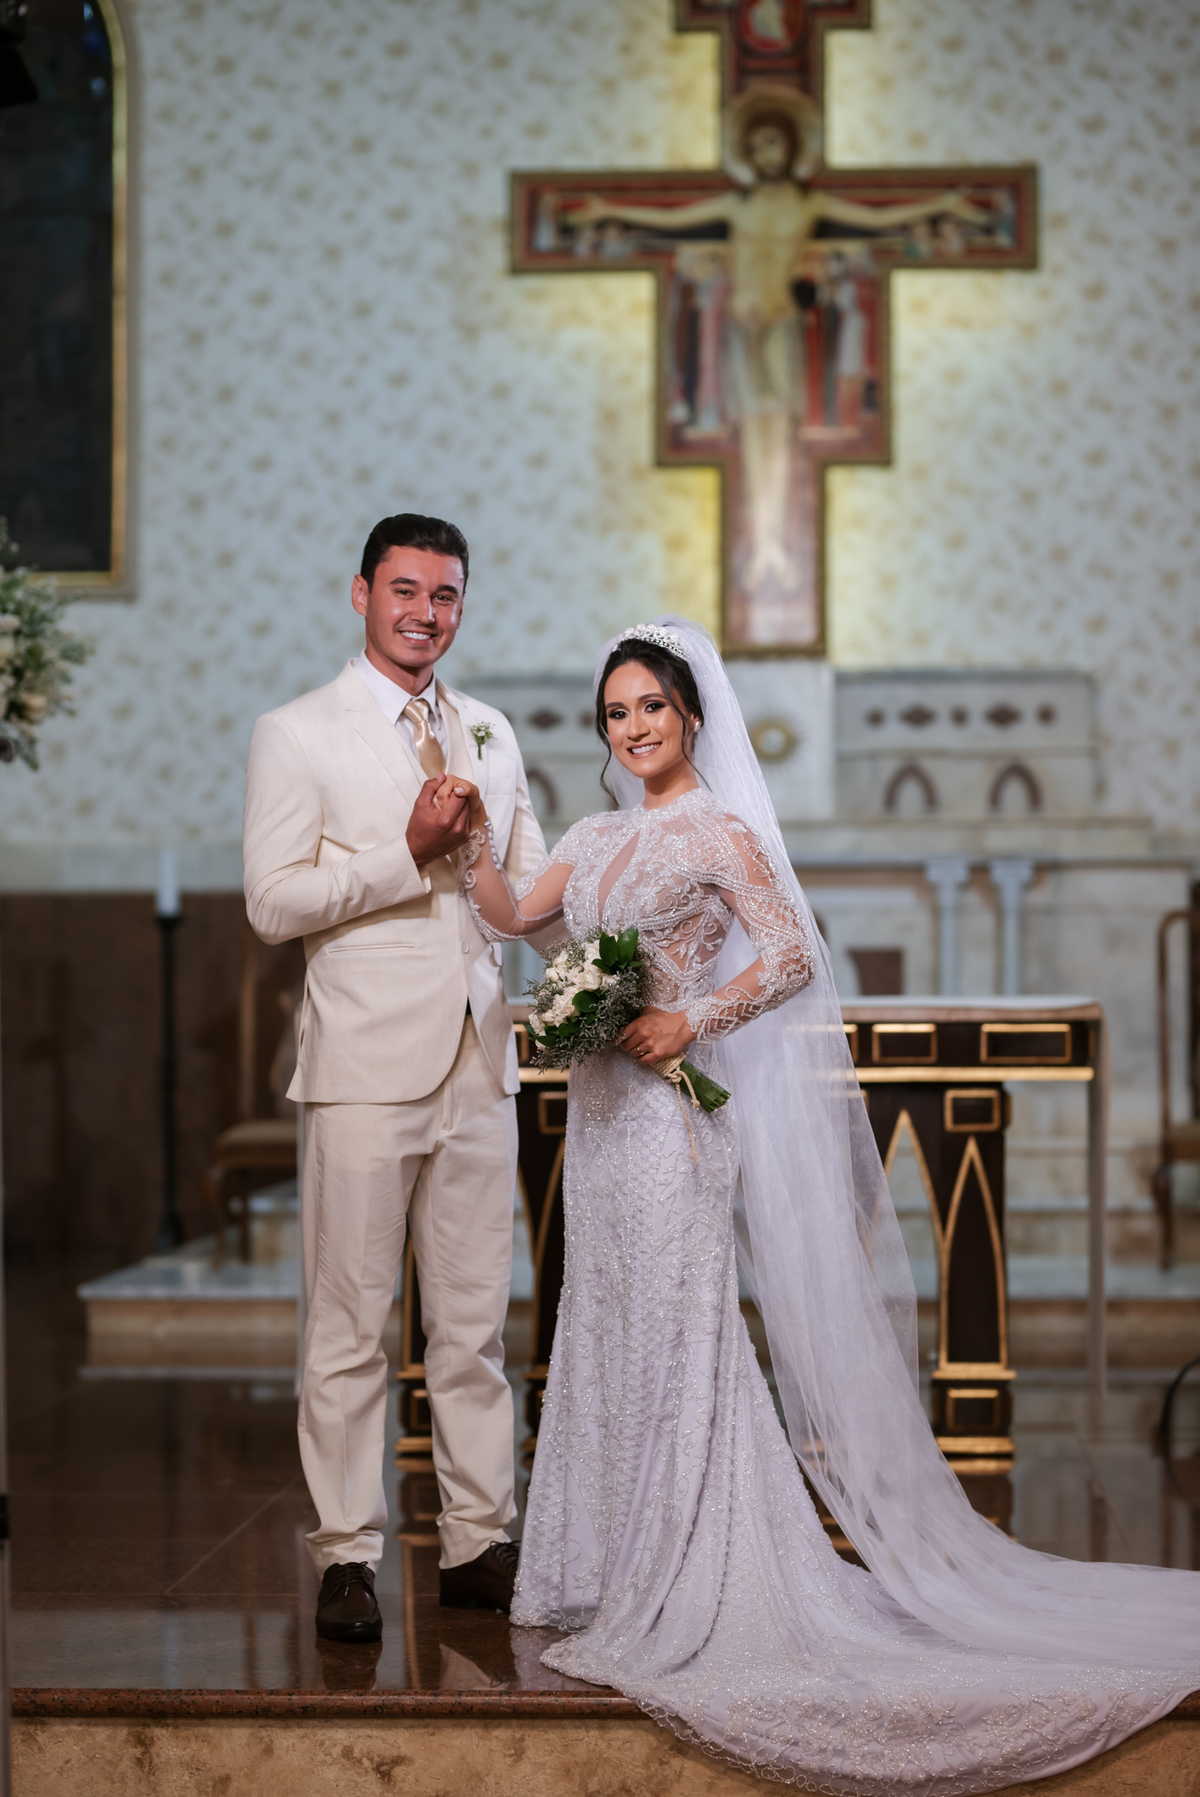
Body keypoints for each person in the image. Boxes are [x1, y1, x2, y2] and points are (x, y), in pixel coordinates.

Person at [451, 616, 1199, 1794]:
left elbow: (793, 952)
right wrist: (468, 829)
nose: (633, 727)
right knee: (603, 1324)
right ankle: (599, 1561)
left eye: (651, 706)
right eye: (616, 713)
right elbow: (507, 914)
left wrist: (689, 1018)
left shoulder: (721, 831)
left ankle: (688, 1569)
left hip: (671, 1123)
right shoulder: (591, 837)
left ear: (691, 715)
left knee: (679, 1330)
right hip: (598, 1126)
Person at [242, 513, 547, 1643]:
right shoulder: (298, 732)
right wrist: (405, 856)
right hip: (365, 1067)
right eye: (405, 589)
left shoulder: (490, 729)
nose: (426, 612)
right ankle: (346, 1555)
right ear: (361, 593)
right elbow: (272, 903)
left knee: (473, 1329)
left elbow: (525, 893)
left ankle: (478, 1542)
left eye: (446, 594)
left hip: (479, 1058)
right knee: (349, 1325)